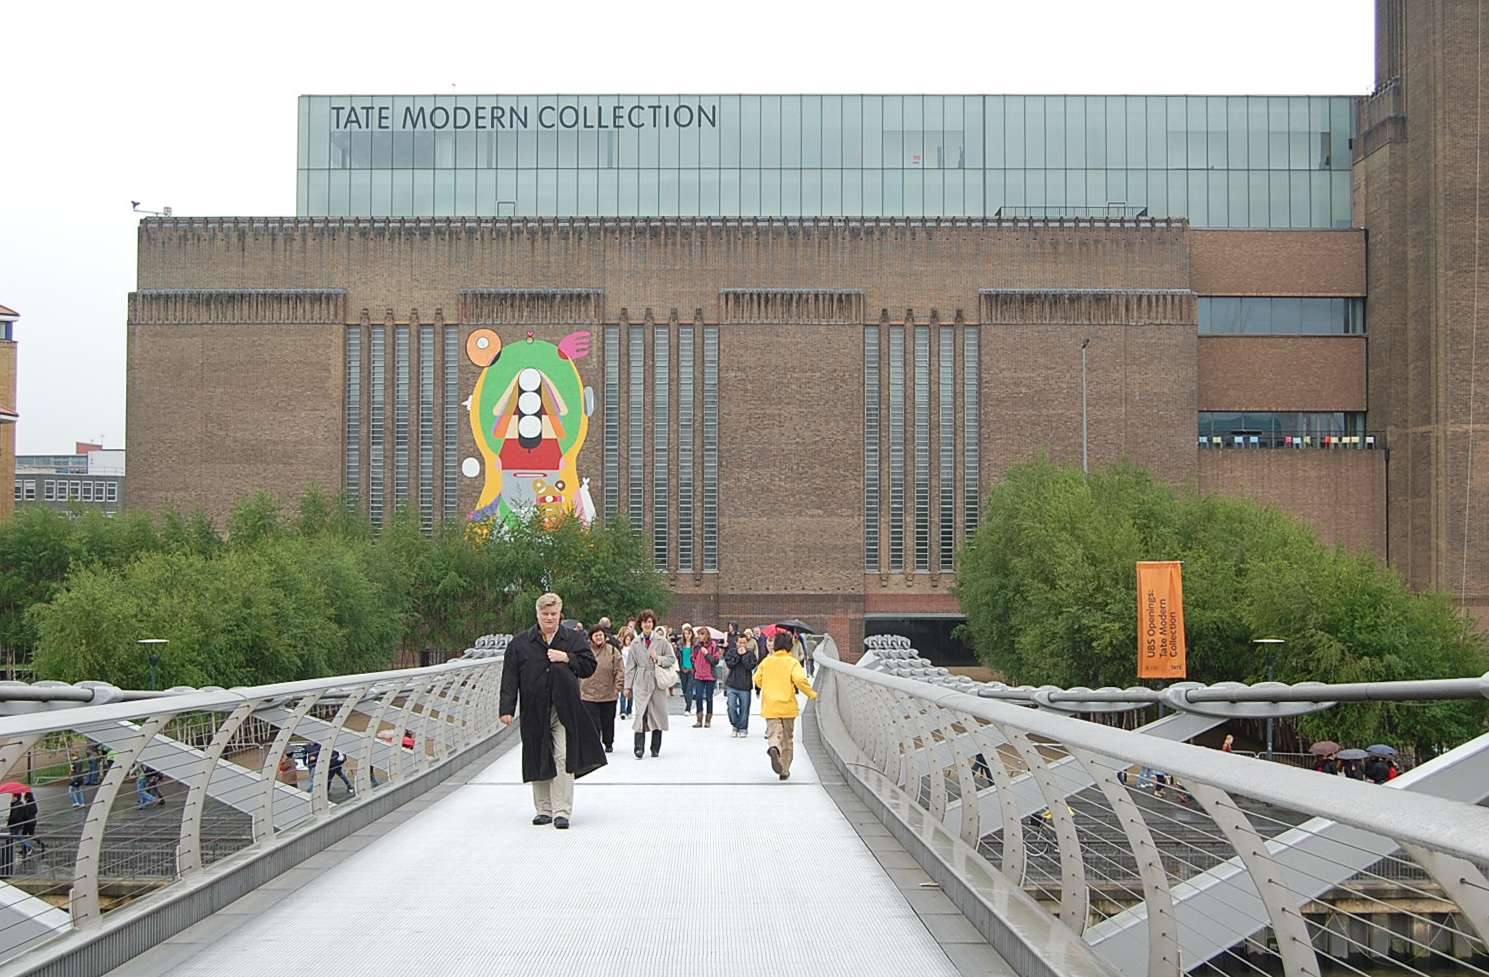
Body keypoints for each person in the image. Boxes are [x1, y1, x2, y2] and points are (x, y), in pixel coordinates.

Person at [500, 592, 607, 830]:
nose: (549, 618)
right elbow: (509, 678)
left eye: (554, 614)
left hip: (564, 708)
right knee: (538, 754)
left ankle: (561, 811)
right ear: (537, 614)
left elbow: (589, 666)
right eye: (545, 614)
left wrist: (567, 658)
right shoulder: (520, 643)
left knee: (562, 756)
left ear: (560, 614)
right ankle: (543, 809)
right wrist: (507, 709)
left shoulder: (573, 639)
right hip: (534, 709)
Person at [754, 631, 818, 780]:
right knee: (788, 739)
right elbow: (800, 680)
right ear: (789, 647)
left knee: (773, 732)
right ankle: (784, 770)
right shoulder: (792, 663)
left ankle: (773, 747)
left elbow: (757, 680)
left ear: (775, 646)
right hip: (788, 706)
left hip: (770, 705)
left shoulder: (766, 662)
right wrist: (811, 694)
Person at [624, 609, 676, 759]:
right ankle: (638, 748)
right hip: (641, 679)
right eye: (645, 622)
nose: (647, 624)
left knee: (657, 713)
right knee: (641, 713)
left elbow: (671, 659)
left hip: (657, 680)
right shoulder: (635, 642)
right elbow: (630, 666)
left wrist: (658, 658)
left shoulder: (662, 641)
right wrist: (628, 686)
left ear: (653, 624)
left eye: (650, 622)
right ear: (640, 624)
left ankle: (655, 747)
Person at [579, 623, 625, 753]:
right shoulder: (585, 650)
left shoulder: (612, 651)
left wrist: (618, 686)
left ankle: (608, 742)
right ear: (591, 637)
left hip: (608, 693)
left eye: (601, 635)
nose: (598, 637)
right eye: (596, 635)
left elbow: (620, 670)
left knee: (607, 720)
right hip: (588, 693)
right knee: (592, 721)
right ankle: (594, 743)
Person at [724, 631, 759, 737]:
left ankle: (743, 727)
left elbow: (750, 666)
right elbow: (730, 664)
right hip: (732, 684)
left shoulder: (750, 654)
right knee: (731, 706)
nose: (742, 645)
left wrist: (743, 656)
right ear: (736, 642)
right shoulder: (731, 652)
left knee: (744, 708)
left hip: (745, 685)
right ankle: (735, 724)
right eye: (740, 642)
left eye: (744, 643)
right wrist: (738, 656)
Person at [691, 629, 721, 727]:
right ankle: (699, 719)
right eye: (699, 634)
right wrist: (695, 665)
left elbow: (715, 661)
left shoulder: (713, 645)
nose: (700, 636)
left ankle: (708, 719)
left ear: (707, 635)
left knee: (709, 698)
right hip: (699, 675)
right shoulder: (696, 646)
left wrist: (707, 654)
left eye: (702, 634)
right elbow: (693, 657)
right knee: (698, 697)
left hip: (710, 676)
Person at [8, 793, 42, 860]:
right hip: (29, 822)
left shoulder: (23, 805)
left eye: (13, 797)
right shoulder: (29, 804)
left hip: (27, 823)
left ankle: (31, 847)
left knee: (22, 837)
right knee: (23, 836)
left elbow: (17, 815)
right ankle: (26, 849)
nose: (12, 798)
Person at [677, 624, 696, 711]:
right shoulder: (680, 644)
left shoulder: (695, 645)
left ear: (691, 634)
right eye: (685, 633)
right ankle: (687, 703)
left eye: (688, 633)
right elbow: (678, 657)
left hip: (692, 669)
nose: (687, 635)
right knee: (684, 689)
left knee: (689, 688)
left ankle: (688, 708)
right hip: (683, 668)